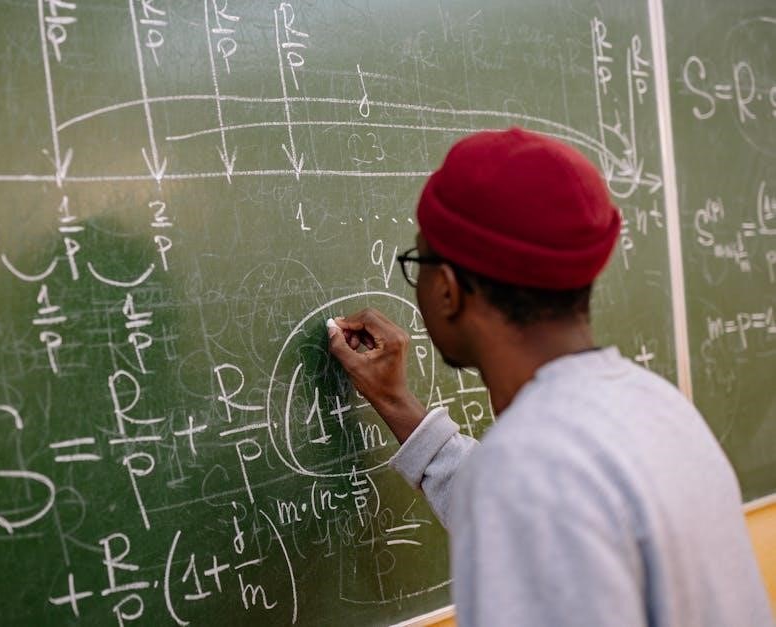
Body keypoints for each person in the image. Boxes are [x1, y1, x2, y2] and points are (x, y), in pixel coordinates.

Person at [326, 128, 772, 627]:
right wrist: (395, 402)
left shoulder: (529, 471)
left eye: (419, 263)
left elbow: (529, 494)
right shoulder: (658, 408)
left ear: (448, 290)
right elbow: (541, 500)